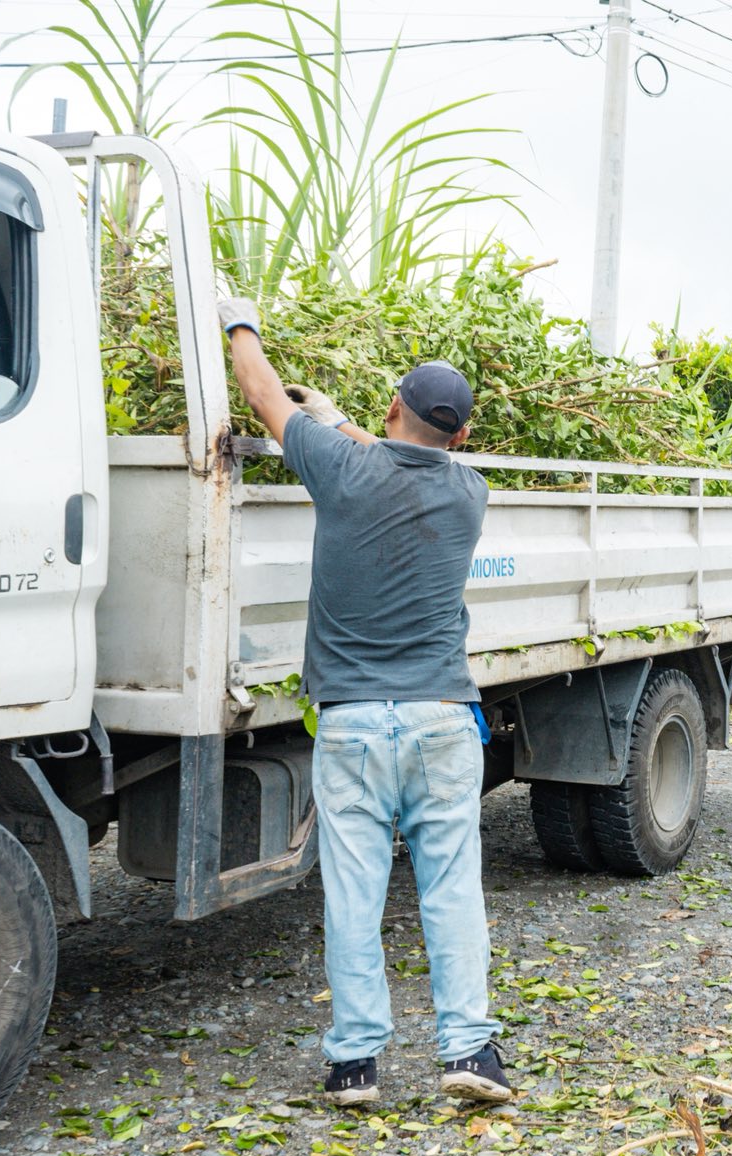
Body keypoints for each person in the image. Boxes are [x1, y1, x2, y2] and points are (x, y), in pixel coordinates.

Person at [216, 296, 510, 1106]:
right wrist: (343, 421)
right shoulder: (470, 492)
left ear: (391, 408)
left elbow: (261, 391)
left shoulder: (341, 471)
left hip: (350, 724)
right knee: (451, 890)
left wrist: (239, 320)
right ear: (461, 437)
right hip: (441, 720)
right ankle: (470, 1052)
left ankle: (354, 1064)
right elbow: (405, 460)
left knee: (354, 896)